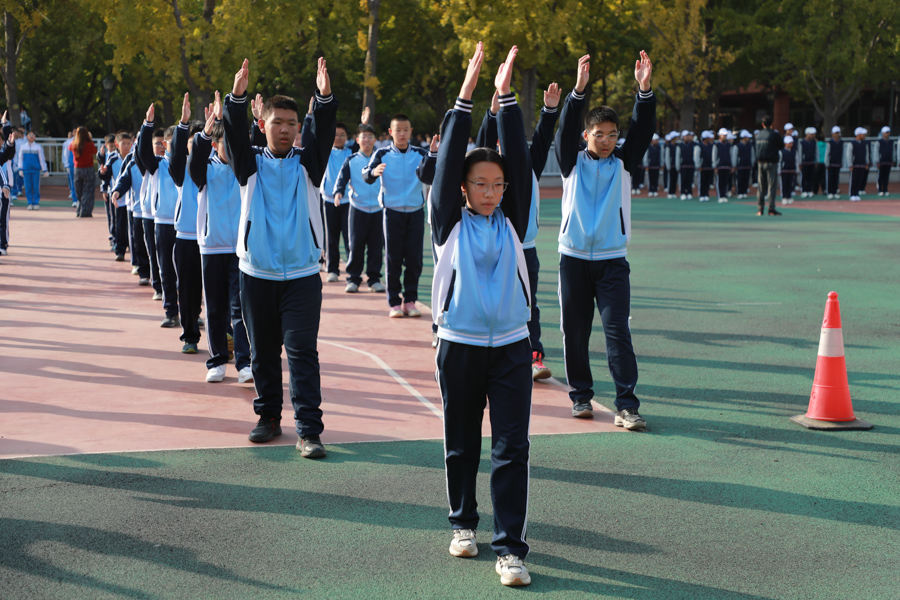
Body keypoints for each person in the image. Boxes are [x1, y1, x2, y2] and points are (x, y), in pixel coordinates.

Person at [431, 42, 534, 587]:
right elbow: (449, 159)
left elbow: (519, 160)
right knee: (462, 441)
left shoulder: (513, 218)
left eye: (497, 185)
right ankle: (463, 523)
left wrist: (506, 98)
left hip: (513, 345)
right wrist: (466, 97)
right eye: (480, 184)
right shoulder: (448, 222)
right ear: (463, 189)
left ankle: (511, 549)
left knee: (512, 447)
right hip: (460, 343)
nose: (490, 192)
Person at [223, 57, 336, 457]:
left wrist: (325, 97)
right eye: (277, 123)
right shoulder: (249, 165)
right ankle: (269, 416)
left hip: (302, 276)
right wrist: (236, 98)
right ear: (263, 124)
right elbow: (233, 136)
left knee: (302, 352)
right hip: (257, 275)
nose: (285, 129)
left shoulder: (309, 165)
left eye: (292, 123)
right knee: (264, 353)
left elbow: (323, 132)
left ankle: (309, 430)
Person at [556, 50, 655, 430]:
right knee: (575, 332)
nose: (608, 141)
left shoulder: (624, 164)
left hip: (613, 261)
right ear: (587, 136)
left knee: (618, 332)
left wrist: (644, 90)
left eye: (613, 135)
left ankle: (626, 406)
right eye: (600, 135)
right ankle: (581, 396)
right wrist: (578, 91)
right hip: (574, 258)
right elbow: (565, 129)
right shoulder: (571, 162)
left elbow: (642, 129)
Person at [474, 84, 560, 380]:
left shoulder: (529, 166)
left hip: (525, 250)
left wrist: (550, 110)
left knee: (527, 304)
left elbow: (543, 138)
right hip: (490, 248)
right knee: (487, 302)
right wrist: (492, 113)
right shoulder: (488, 168)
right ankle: (483, 355)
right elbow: (483, 144)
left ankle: (533, 356)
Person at [189, 91, 252, 384]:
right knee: (215, 309)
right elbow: (193, 162)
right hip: (212, 247)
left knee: (240, 310)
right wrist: (206, 130)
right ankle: (216, 362)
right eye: (227, 141)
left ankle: (244, 363)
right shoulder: (205, 170)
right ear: (215, 144)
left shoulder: (245, 169)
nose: (234, 146)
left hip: (239, 249)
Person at [362, 113, 431, 318]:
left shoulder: (420, 153)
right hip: (391, 213)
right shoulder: (382, 154)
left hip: (415, 213)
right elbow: (366, 174)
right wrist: (373, 173)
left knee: (414, 260)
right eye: (398, 130)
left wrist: (434, 154)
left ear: (411, 131)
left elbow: (432, 174)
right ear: (391, 132)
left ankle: (410, 301)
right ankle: (394, 302)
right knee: (393, 259)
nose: (402, 134)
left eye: (405, 130)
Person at [138, 113, 181, 328]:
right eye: (172, 143)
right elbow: (142, 152)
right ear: (165, 145)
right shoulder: (157, 165)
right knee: (166, 269)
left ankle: (192, 313)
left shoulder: (192, 165)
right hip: (163, 223)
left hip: (187, 226)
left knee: (188, 273)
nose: (177, 146)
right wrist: (147, 125)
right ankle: (171, 311)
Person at [169, 93, 205, 353]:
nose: (198, 145)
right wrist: (183, 125)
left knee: (221, 293)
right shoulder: (181, 170)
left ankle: (226, 338)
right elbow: (175, 157)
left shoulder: (217, 167)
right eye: (194, 141)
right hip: (187, 238)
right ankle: (190, 337)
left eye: (203, 140)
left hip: (215, 240)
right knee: (188, 291)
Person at [333, 124, 387, 293]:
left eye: (370, 137)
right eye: (364, 137)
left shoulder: (382, 159)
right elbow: (341, 179)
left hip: (378, 209)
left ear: (375, 140)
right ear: (357, 140)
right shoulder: (351, 160)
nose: (367, 140)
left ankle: (374, 279)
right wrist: (338, 192)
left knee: (376, 247)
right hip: (357, 208)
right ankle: (353, 279)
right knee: (356, 246)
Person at [321, 122, 353, 282]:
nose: (338, 138)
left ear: (347, 137)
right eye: (335, 135)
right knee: (331, 237)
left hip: (349, 201)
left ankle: (352, 271)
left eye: (342, 135)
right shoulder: (325, 151)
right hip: (329, 199)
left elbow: (363, 141)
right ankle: (332, 269)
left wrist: (364, 124)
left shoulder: (352, 152)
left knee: (349, 237)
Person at [754, 116, 782, 216]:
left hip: (760, 163)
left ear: (762, 124)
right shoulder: (774, 134)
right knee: (772, 186)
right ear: (772, 124)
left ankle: (760, 209)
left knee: (761, 187)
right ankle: (771, 209)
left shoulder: (758, 135)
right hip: (771, 163)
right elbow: (781, 146)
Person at [17, 129, 49, 210]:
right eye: (30, 135)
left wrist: (44, 170)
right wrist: (20, 169)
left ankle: (36, 202)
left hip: (35, 170)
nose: (31, 136)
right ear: (27, 136)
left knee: (36, 187)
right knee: (27, 187)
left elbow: (41, 159)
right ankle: (30, 203)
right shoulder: (23, 147)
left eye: (33, 135)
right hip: (26, 170)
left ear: (35, 137)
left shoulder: (38, 147)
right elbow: (20, 159)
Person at [71, 126, 97, 217]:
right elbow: (94, 151)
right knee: (88, 191)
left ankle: (79, 209)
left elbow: (70, 148)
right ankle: (85, 211)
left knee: (79, 191)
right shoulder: (89, 143)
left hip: (77, 169)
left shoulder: (74, 144)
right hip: (88, 168)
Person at [0, 113, 15, 256]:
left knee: (3, 218)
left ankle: (2, 244)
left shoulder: (5, 152)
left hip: (4, 189)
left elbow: (10, 148)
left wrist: (5, 125)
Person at [845, 127, 869, 202]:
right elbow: (849, 154)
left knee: (859, 180)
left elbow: (866, 154)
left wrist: (867, 163)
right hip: (855, 165)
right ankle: (852, 194)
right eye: (863, 134)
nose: (864, 135)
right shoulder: (852, 143)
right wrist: (850, 164)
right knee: (854, 180)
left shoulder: (865, 144)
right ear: (858, 134)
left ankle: (856, 194)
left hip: (862, 164)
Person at [712, 128, 733, 203]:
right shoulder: (716, 145)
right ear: (720, 135)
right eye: (723, 135)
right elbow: (714, 156)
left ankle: (724, 195)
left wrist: (732, 165)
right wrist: (715, 166)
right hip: (719, 166)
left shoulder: (729, 145)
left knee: (726, 182)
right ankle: (720, 196)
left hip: (727, 166)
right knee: (720, 182)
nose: (724, 136)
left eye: (725, 135)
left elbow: (731, 155)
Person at [824, 126, 844, 199]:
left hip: (838, 163)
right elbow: (827, 153)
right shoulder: (829, 143)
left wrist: (841, 162)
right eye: (836, 133)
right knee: (830, 178)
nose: (837, 134)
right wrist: (827, 163)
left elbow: (842, 153)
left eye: (838, 133)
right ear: (832, 134)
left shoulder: (841, 142)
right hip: (831, 163)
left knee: (836, 178)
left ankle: (835, 192)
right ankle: (830, 192)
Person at [872, 126, 893, 196]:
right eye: (886, 132)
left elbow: (893, 151)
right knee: (881, 176)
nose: (887, 134)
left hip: (888, 161)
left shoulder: (891, 142)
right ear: (883, 133)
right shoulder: (879, 142)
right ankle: (880, 190)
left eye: (888, 132)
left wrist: (893, 159)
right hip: (881, 162)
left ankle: (885, 190)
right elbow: (876, 152)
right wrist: (877, 161)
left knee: (886, 176)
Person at [676, 130, 696, 200]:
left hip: (691, 165)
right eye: (686, 136)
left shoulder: (692, 145)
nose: (687, 137)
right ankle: (683, 193)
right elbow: (678, 157)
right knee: (683, 180)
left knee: (690, 180)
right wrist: (678, 166)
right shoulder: (680, 146)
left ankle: (689, 193)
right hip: (683, 166)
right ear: (683, 137)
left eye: (688, 136)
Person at [798, 127, 818, 198]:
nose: (812, 135)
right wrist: (800, 163)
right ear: (807, 134)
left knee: (811, 177)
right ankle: (804, 190)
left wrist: (816, 161)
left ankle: (809, 190)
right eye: (811, 134)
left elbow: (816, 152)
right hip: (804, 162)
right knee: (804, 177)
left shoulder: (814, 142)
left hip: (812, 162)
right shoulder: (802, 143)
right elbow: (800, 153)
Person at [695, 131, 715, 201]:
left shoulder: (711, 146)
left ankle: (706, 194)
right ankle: (701, 194)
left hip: (709, 166)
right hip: (702, 167)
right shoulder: (699, 146)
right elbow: (696, 156)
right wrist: (698, 165)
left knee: (707, 182)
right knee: (702, 181)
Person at [779, 135, 797, 205]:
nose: (790, 144)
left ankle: (789, 197)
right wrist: (779, 171)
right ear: (785, 143)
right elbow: (779, 162)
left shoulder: (794, 152)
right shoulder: (781, 152)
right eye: (788, 143)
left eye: (791, 143)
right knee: (784, 184)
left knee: (790, 184)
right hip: (784, 170)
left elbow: (796, 161)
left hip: (792, 170)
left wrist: (796, 170)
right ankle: (784, 197)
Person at [63, 130, 77, 205]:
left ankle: (80, 199)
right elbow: (66, 154)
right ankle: (75, 200)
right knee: (73, 181)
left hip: (81, 165)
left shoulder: (83, 141)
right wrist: (66, 164)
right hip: (71, 164)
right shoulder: (68, 142)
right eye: (75, 132)